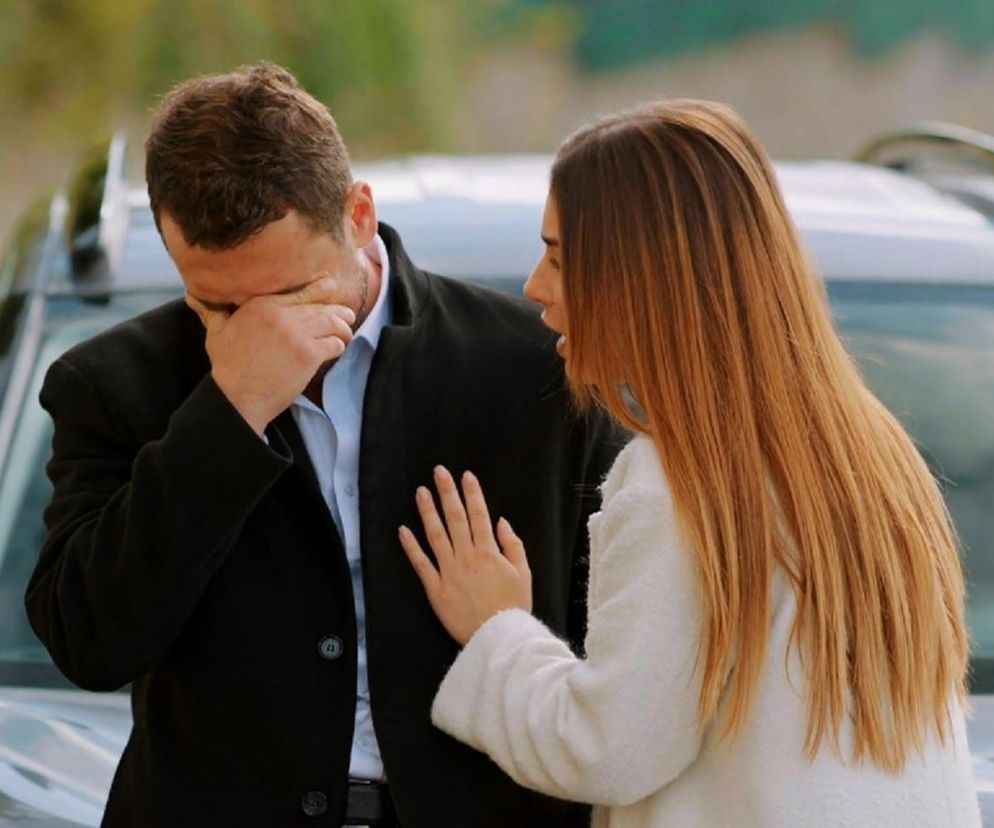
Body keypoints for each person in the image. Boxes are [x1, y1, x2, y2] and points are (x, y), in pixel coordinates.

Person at [24, 63, 622, 827]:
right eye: (218, 304)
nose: (259, 329)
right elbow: (90, 644)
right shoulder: (109, 385)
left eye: (288, 295)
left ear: (360, 216)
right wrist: (229, 410)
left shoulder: (539, 375)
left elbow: (624, 674)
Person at [399, 100, 982, 827]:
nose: (535, 288)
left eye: (558, 256)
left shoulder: (679, 482)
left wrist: (499, 629)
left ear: (639, 276)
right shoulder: (871, 451)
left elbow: (608, 750)